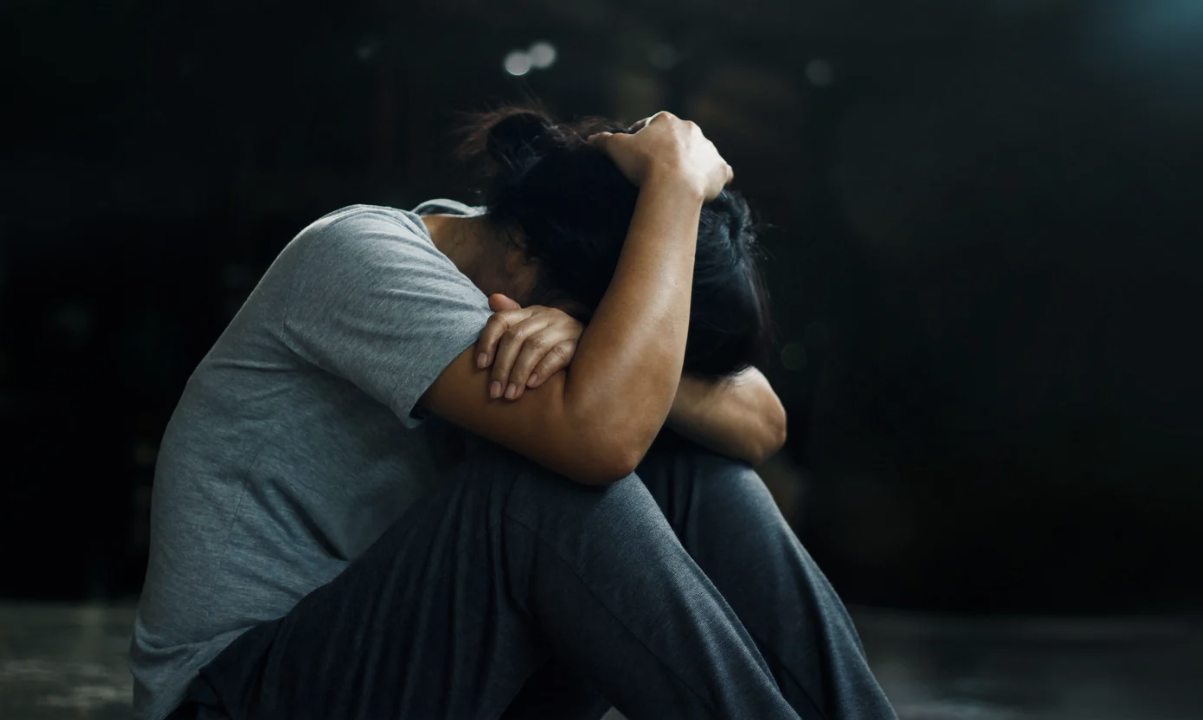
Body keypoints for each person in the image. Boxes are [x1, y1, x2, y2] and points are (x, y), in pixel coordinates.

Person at [129, 107, 898, 720]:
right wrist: (671, 181)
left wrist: (598, 340)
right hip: (244, 693)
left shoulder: (530, 256)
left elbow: (762, 421)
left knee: (693, 466)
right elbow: (599, 438)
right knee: (541, 489)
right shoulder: (358, 258)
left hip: (440, 677)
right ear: (524, 249)